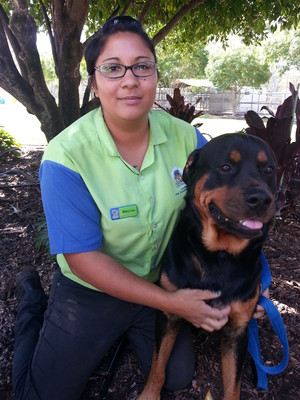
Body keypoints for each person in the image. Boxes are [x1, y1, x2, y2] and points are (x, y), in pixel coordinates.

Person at [13, 16, 266, 400]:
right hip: (92, 290)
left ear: (154, 75)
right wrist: (169, 302)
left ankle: (124, 333)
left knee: (179, 377)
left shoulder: (186, 138)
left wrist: (251, 286)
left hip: (161, 278)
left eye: (142, 66)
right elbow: (82, 259)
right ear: (94, 83)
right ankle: (32, 303)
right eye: (113, 68)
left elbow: (229, 206)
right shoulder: (66, 157)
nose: (130, 79)